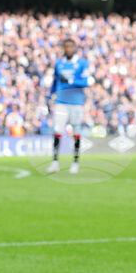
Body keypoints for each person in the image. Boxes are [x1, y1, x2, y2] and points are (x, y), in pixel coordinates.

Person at [46, 38, 92, 174]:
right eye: (66, 47)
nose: (68, 49)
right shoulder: (59, 63)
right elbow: (55, 81)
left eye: (71, 47)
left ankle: (75, 163)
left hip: (76, 102)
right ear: (63, 48)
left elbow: (86, 82)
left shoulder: (82, 63)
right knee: (57, 130)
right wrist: (50, 96)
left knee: (76, 131)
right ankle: (55, 162)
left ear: (75, 48)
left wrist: (71, 81)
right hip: (61, 102)